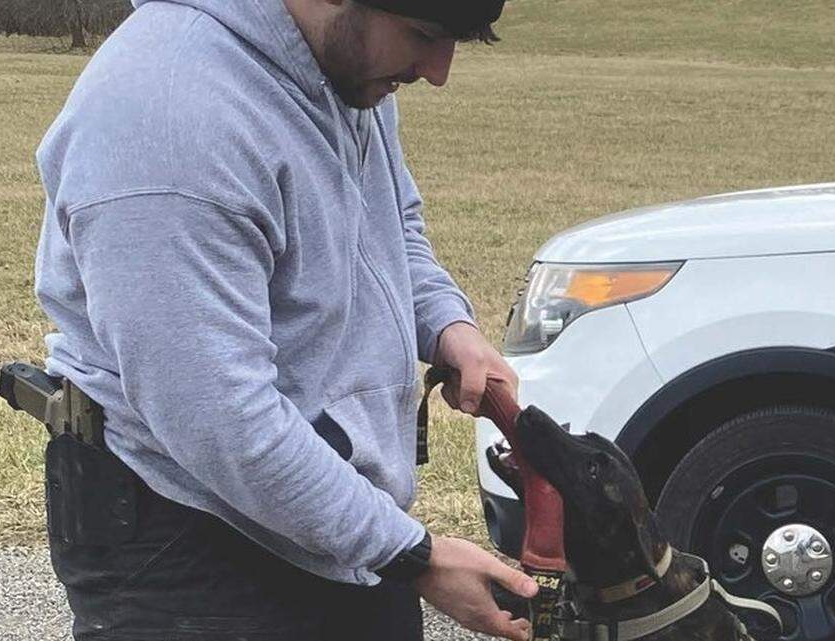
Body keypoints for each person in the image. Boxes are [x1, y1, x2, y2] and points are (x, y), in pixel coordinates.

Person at [32, 0, 538, 639]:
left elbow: (388, 221)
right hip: (188, 539)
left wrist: (446, 326)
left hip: (330, 515)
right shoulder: (169, 116)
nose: (438, 71)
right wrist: (412, 555)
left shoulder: (341, 69)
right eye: (425, 36)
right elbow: (218, 416)